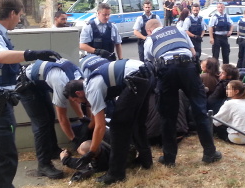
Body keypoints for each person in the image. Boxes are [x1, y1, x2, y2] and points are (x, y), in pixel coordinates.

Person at [0, 0, 61, 188]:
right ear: (12, 12)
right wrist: (31, 54)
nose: (20, 19)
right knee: (5, 155)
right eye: (20, 15)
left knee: (6, 152)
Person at [63, 59, 155, 185]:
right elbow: (96, 120)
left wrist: (91, 153)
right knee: (138, 123)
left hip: (136, 77)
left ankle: (116, 174)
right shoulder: (91, 81)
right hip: (146, 73)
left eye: (76, 100)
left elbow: (100, 126)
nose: (78, 103)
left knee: (118, 127)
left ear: (79, 93)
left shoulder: (91, 89)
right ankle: (146, 160)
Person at [144, 19, 222, 166]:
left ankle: (169, 159)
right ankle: (210, 153)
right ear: (161, 26)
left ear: (149, 30)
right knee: (200, 111)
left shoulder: (150, 39)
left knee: (168, 116)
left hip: (166, 71)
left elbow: (150, 62)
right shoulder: (178, 30)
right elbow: (193, 53)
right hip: (187, 68)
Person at [18, 59, 85, 179]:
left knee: (49, 116)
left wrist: (83, 118)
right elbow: (62, 117)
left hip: (39, 82)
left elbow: (75, 99)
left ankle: (53, 150)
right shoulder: (61, 84)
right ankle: (43, 165)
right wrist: (73, 139)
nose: (78, 101)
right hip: (26, 84)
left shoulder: (80, 78)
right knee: (41, 123)